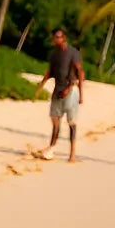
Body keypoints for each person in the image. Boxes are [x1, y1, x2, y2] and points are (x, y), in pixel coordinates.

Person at [34, 27, 83, 162]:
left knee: (71, 123)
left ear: (64, 38)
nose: (57, 40)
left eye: (59, 37)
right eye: (55, 37)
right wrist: (41, 85)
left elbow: (79, 72)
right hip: (57, 90)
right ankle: (52, 147)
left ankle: (72, 154)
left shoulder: (73, 53)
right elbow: (50, 71)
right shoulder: (54, 54)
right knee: (55, 120)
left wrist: (79, 93)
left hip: (71, 91)